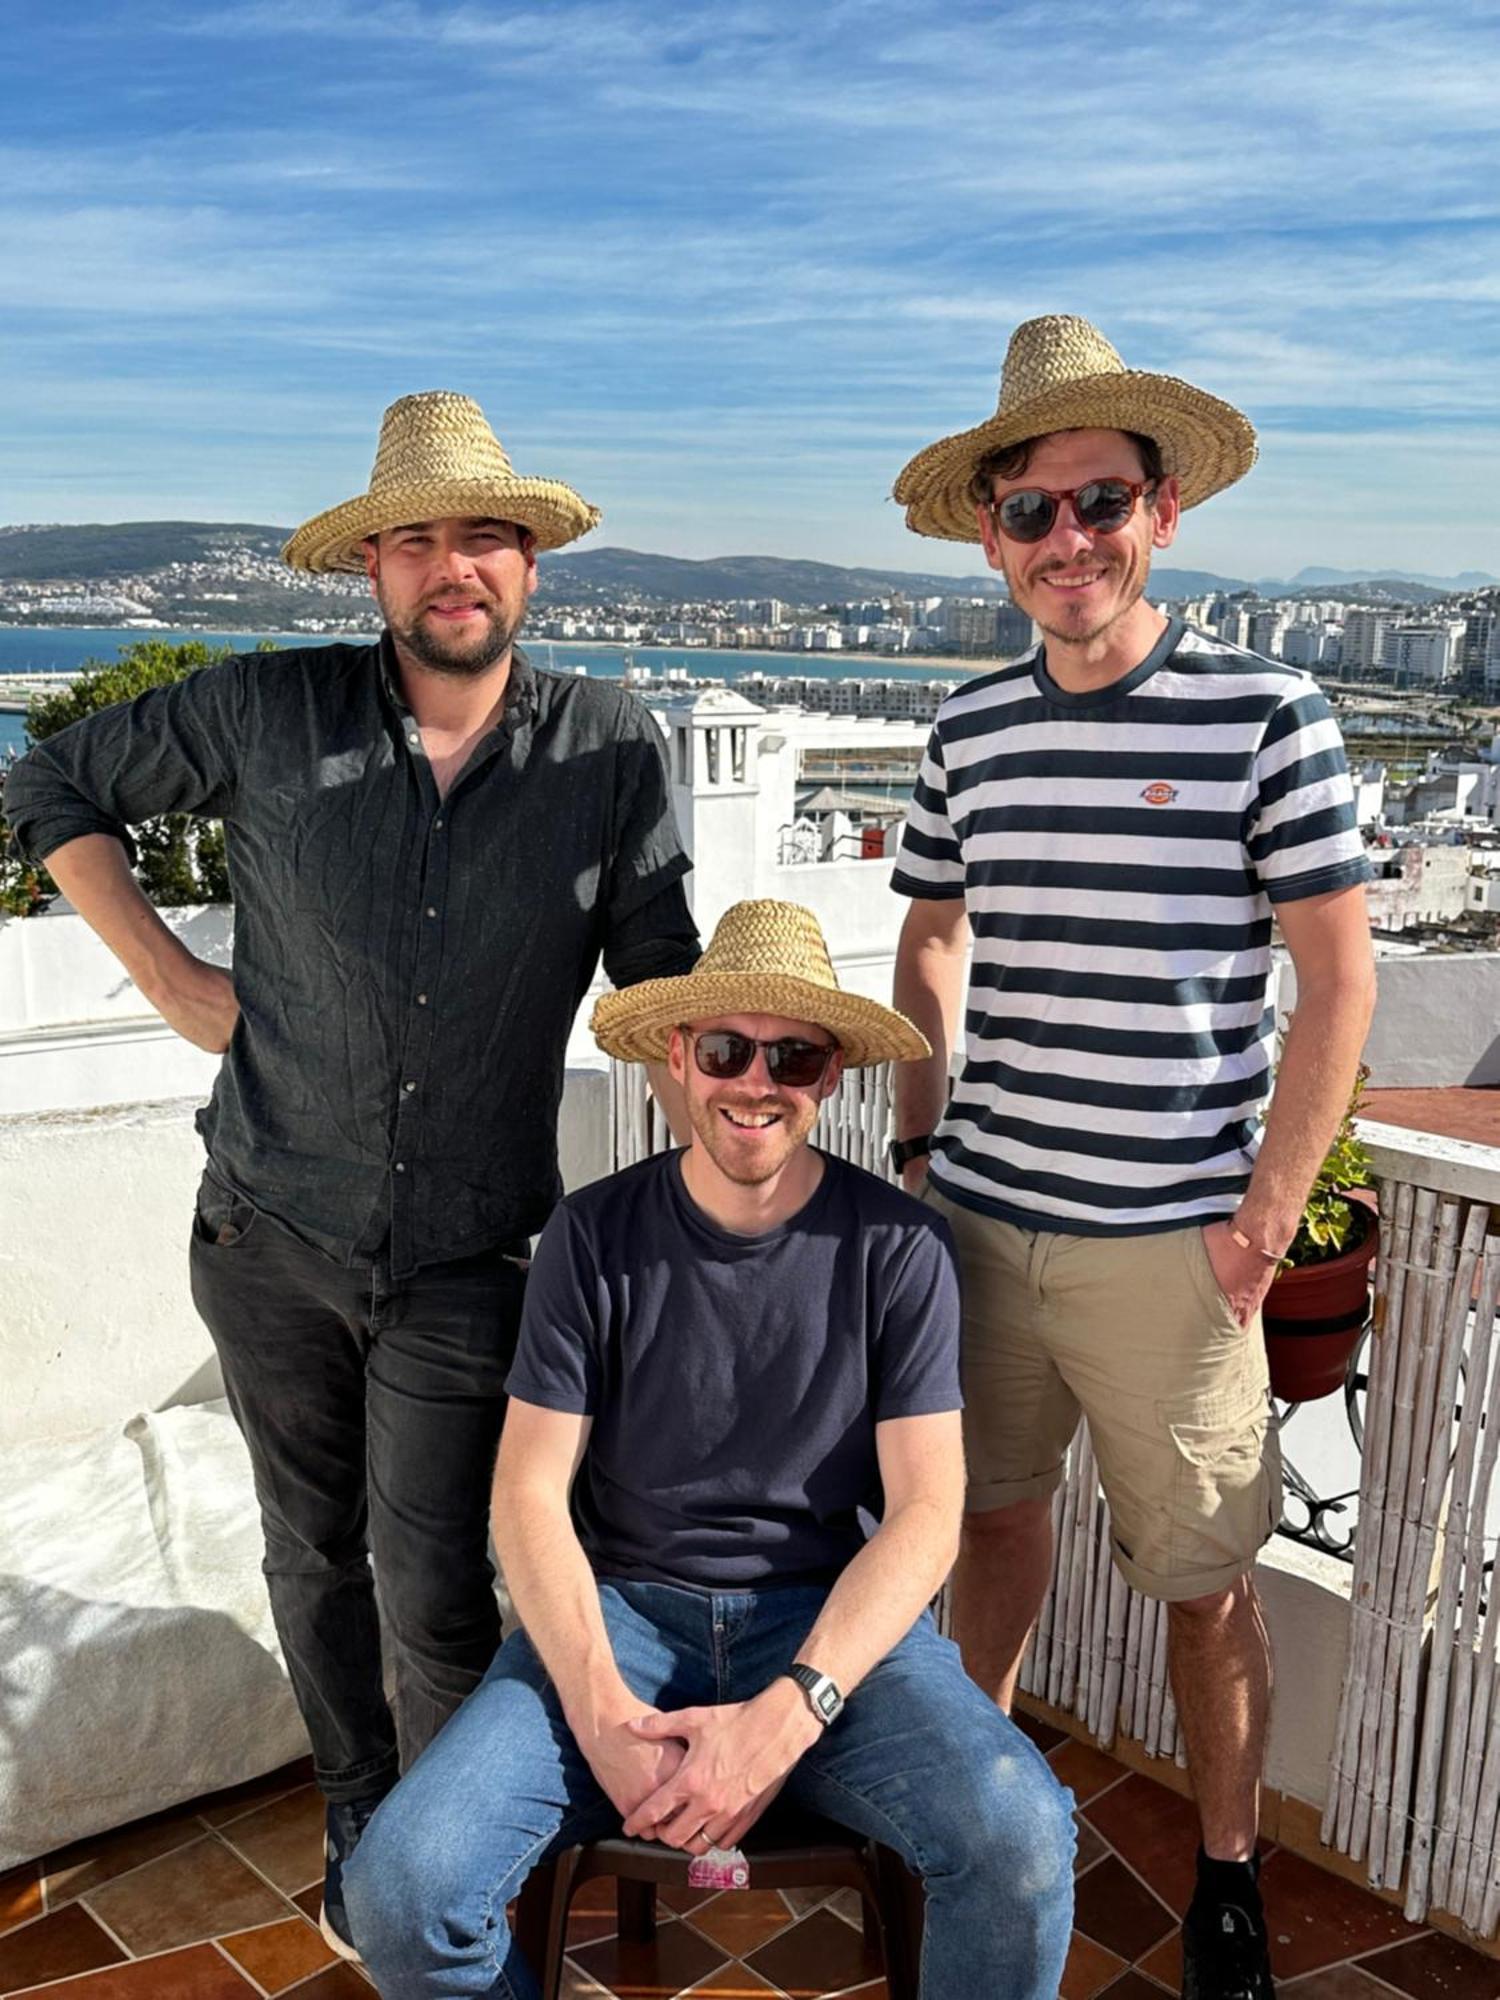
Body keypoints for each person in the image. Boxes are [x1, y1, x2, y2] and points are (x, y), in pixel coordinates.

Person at [3, 390, 700, 1957]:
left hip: (468, 1253)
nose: (455, 568)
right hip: (266, 1229)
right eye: (420, 542)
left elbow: (656, 971)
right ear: (371, 569)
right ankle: (359, 1810)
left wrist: (740, 1108)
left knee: (438, 1572)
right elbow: (48, 784)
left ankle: (453, 1874)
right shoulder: (264, 712)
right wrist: (175, 979)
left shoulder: (609, 746)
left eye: (486, 540)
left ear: (531, 566)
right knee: (308, 1554)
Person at [888, 315, 1375, 2000]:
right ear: (990, 533)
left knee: (1201, 1582)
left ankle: (1226, 1874)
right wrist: (922, 1141)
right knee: (990, 1538)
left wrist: (1255, 1229)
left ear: (1162, 509)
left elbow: (1340, 978)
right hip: (986, 1231)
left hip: (1179, 1251)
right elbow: (931, 938)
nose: (1068, 538)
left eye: (1101, 500)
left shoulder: (1267, 708)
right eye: (1031, 511)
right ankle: (983, 1826)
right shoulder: (965, 732)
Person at [343, 899, 1077, 1999]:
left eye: (793, 1054)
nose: (756, 1082)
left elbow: (929, 1511)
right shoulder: (591, 1239)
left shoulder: (900, 1246)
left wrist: (790, 1712)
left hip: (827, 1623)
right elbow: (528, 1493)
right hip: (623, 1622)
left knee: (1022, 1837)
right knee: (402, 1887)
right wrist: (598, 1710)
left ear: (830, 1075)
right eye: (728, 1049)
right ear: (680, 1058)